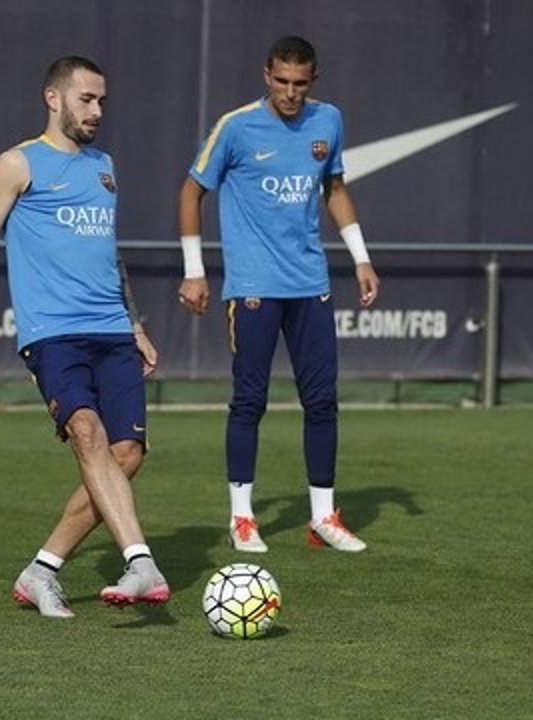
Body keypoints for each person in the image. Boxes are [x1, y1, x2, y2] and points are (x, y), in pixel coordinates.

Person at [0, 56, 169, 619]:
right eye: (85, 99)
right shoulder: (16, 165)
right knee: (87, 431)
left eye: (102, 102)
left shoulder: (104, 166)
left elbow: (108, 254)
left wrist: (135, 324)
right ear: (53, 98)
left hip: (112, 330)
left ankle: (41, 571)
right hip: (53, 334)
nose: (96, 111)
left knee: (127, 454)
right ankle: (140, 562)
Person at [175, 35, 379, 554]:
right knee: (250, 400)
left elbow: (335, 189)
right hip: (253, 287)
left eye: (300, 84)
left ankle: (323, 518)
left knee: (322, 401)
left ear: (313, 81)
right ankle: (242, 518)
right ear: (266, 75)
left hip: (310, 284)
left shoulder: (328, 120)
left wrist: (360, 258)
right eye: (282, 81)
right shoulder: (236, 126)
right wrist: (195, 271)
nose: (290, 92)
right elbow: (191, 191)